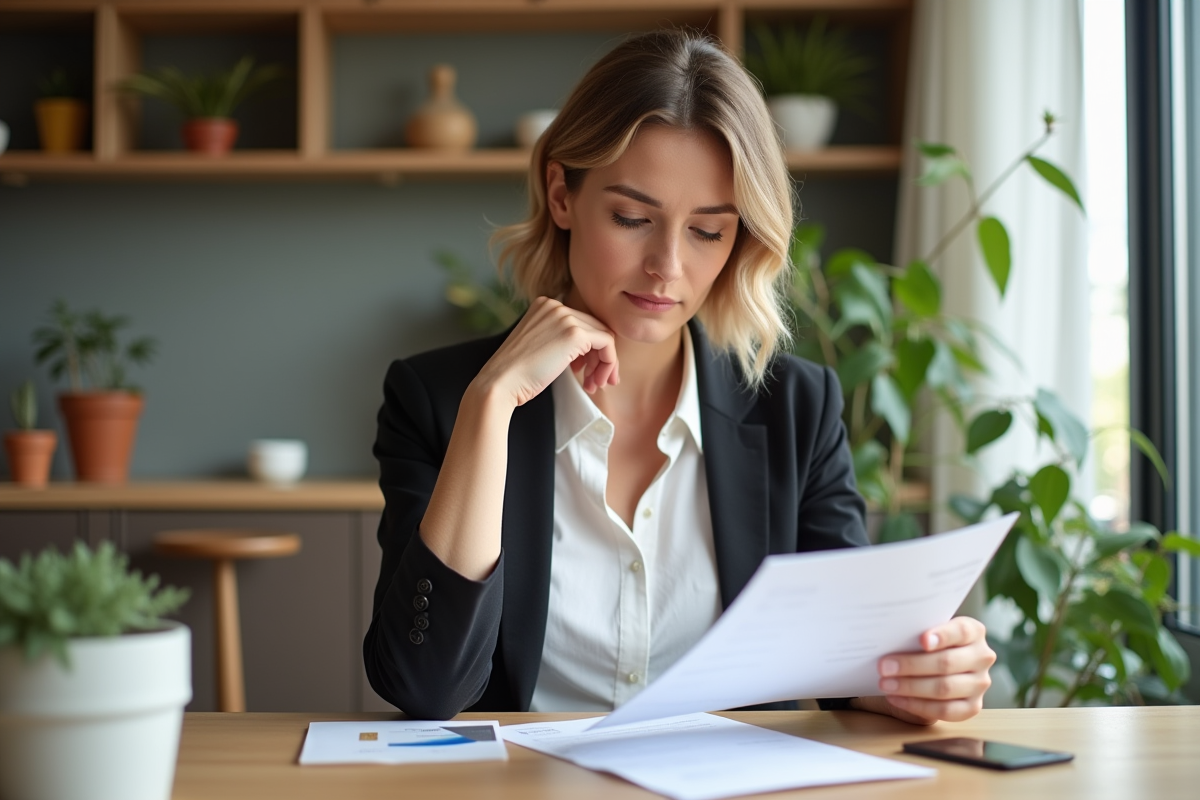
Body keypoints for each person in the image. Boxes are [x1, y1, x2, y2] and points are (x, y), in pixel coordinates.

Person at [364, 29, 995, 724]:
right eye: (633, 217)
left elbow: (847, 667)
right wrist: (490, 407)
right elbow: (425, 687)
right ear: (562, 194)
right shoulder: (437, 401)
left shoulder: (797, 407)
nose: (667, 266)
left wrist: (919, 673)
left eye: (707, 231)